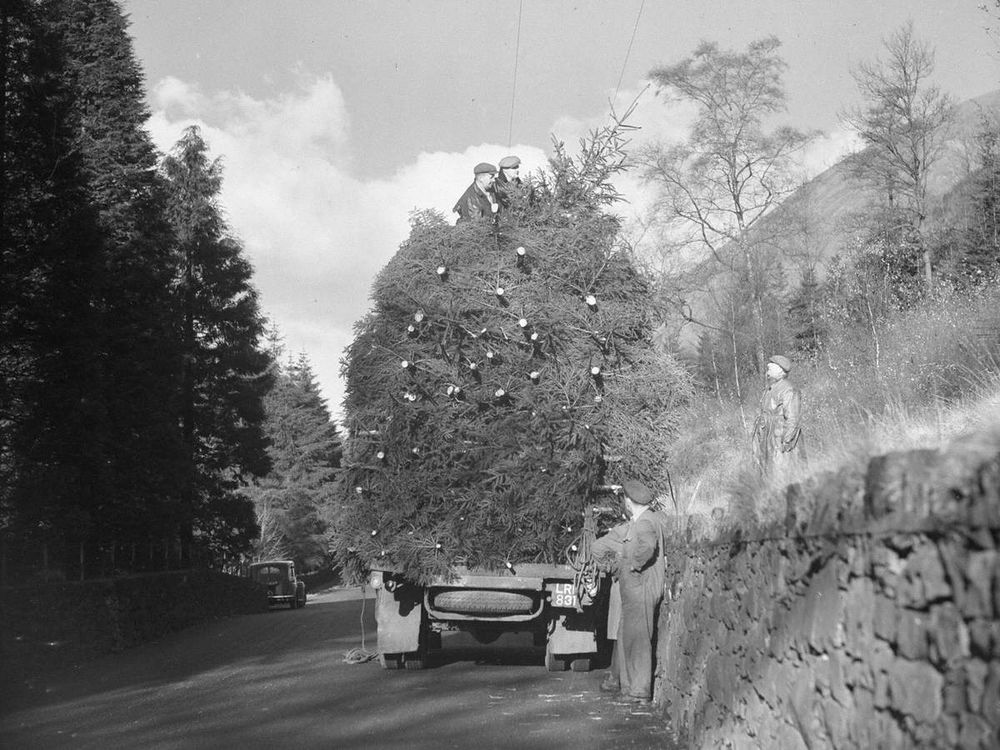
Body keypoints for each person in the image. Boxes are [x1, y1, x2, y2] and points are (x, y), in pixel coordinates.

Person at [591, 479, 666, 704]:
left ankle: (639, 692)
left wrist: (631, 565)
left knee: (639, 640)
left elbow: (647, 547)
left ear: (629, 501)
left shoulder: (644, 523)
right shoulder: (644, 520)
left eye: (625, 498)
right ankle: (630, 689)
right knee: (630, 638)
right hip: (635, 587)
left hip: (641, 586)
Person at [751, 353, 806, 474]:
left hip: (780, 442)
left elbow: (793, 418)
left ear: (779, 370)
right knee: (769, 476)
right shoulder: (770, 389)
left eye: (770, 368)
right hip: (769, 441)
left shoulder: (789, 389)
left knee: (783, 476)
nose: (767, 370)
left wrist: (785, 443)